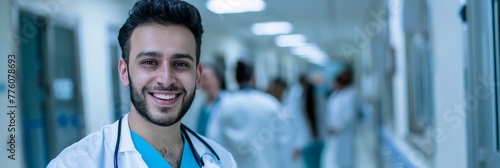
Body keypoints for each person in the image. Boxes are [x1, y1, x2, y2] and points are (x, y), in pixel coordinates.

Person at [47, 0, 237, 167]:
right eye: (149, 63)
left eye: (180, 64)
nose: (166, 79)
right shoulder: (76, 163)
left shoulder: (221, 159)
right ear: (124, 72)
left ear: (197, 76)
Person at [213, 60, 284, 168]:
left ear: (235, 79)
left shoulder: (224, 105)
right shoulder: (270, 103)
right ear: (253, 77)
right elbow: (282, 141)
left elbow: (215, 139)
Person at [321, 69, 357, 168]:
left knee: (345, 161)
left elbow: (349, 116)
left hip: (344, 134)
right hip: (334, 135)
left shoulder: (349, 95)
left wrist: (338, 127)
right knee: (336, 160)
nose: (333, 85)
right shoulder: (335, 95)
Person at [197, 64, 225, 137]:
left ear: (218, 79)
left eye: (205, 78)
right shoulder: (201, 105)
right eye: (200, 79)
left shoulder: (227, 103)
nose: (202, 83)